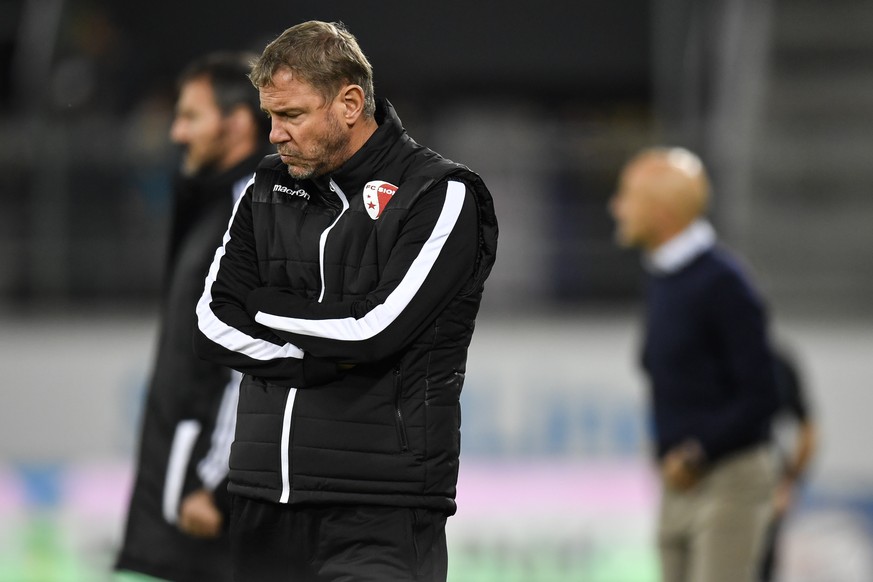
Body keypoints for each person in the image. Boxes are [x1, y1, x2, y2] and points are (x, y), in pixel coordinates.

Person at [193, 20, 498, 581]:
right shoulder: (264, 187)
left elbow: (375, 330)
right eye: (270, 117)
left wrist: (261, 305)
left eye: (291, 116)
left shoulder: (441, 195)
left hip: (379, 509)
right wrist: (313, 358)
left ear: (351, 102)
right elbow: (212, 321)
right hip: (260, 500)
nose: (274, 136)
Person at [114, 51, 271, 582]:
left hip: (202, 511)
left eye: (191, 116)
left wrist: (216, 484)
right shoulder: (212, 207)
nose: (177, 132)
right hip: (179, 505)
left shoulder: (250, 214)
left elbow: (253, 359)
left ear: (239, 123)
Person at [609, 147, 781, 582]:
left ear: (662, 211)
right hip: (679, 482)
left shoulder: (723, 283)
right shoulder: (664, 276)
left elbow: (763, 394)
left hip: (728, 478)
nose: (617, 207)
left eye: (628, 195)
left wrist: (698, 451)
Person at [760, 346, 817, 581]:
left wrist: (789, 482)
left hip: (765, 481)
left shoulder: (776, 363)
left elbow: (808, 428)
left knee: (761, 567)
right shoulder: (702, 356)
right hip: (713, 484)